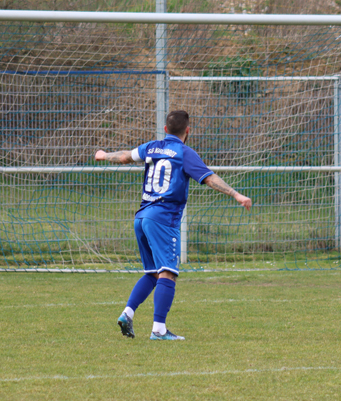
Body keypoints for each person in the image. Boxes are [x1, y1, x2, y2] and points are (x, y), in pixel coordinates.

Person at [95, 110, 252, 340]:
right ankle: (158, 330)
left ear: (166, 129)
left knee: (152, 273)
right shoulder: (183, 152)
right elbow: (209, 178)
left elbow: (124, 157)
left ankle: (127, 314)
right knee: (167, 273)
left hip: (142, 217)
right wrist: (236, 194)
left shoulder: (152, 147)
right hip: (163, 219)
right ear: (187, 131)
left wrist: (103, 154)